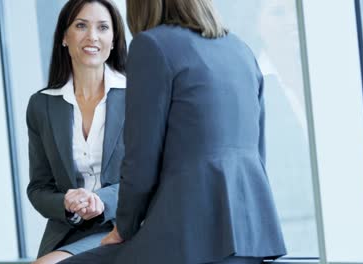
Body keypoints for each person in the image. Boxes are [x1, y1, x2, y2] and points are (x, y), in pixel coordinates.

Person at [61, 0, 286, 263]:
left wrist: (124, 227)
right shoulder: (240, 49)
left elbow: (141, 159)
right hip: (252, 233)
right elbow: (258, 151)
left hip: (186, 233)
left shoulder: (152, 45)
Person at [26, 0, 127, 263]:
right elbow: (38, 188)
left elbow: (152, 176)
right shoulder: (42, 105)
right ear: (64, 36)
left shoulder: (138, 96)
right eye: (81, 25)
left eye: (103, 27)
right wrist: (67, 202)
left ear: (114, 40)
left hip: (124, 224)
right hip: (67, 231)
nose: (92, 36)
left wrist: (99, 199)